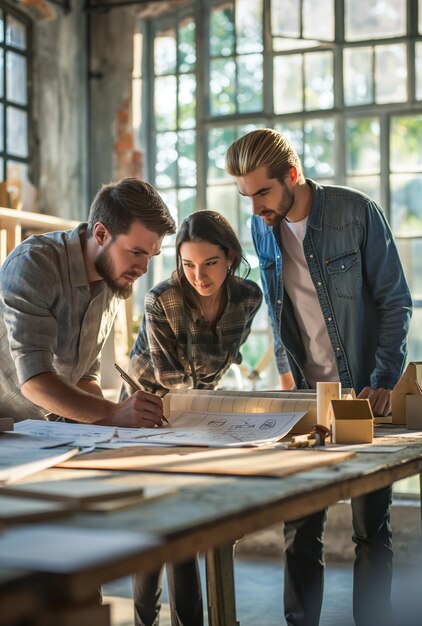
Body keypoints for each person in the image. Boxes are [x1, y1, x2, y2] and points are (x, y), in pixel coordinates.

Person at [225, 128, 412, 626]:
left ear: (292, 175)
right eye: (246, 196)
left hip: (367, 393)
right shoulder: (263, 226)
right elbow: (276, 303)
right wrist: (288, 376)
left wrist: (383, 379)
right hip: (308, 398)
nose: (257, 206)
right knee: (299, 527)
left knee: (372, 529)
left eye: (263, 192)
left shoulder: (356, 213)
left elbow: (396, 302)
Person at [122, 210, 263, 626]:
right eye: (187, 265)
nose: (198, 276)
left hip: (201, 414)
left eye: (210, 264)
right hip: (145, 415)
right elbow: (172, 379)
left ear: (231, 258)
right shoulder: (161, 299)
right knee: (156, 526)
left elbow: (225, 360)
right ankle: (145, 620)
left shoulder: (248, 297)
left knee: (187, 524)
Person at [0, 177, 175, 428]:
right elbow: (35, 382)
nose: (143, 268)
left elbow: (84, 375)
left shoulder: (112, 279)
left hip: (47, 431)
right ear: (101, 234)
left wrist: (114, 427)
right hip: (8, 428)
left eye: (150, 255)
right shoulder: (34, 263)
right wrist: (115, 413)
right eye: (136, 252)